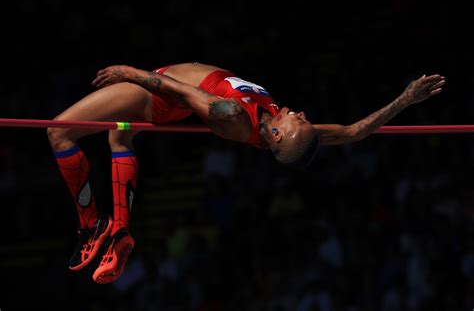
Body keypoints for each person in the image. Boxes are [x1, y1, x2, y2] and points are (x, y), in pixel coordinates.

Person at [46, 62, 445, 284]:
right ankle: (119, 230)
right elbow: (356, 130)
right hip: (168, 92)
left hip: (158, 90)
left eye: (297, 122)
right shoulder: (278, 127)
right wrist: (406, 99)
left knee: (58, 131)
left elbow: (184, 93)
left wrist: (130, 74)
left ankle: (91, 226)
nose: (302, 115)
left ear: (275, 136)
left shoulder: (235, 116)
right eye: (304, 120)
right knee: (120, 138)